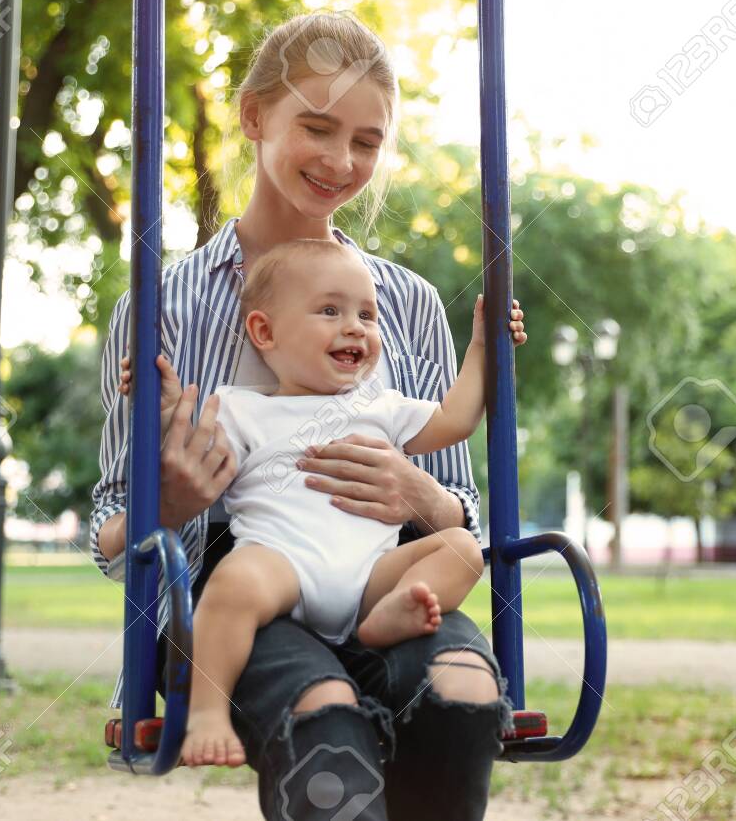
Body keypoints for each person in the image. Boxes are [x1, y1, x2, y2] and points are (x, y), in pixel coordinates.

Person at [90, 11, 515, 820]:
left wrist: (417, 493)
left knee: (462, 694)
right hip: (243, 585)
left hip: (383, 575)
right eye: (317, 128)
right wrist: (170, 502)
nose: (341, 161)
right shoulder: (162, 306)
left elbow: (461, 506)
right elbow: (113, 535)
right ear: (254, 117)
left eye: (366, 141)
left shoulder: (406, 303)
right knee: (326, 723)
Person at [116, 241, 526, 768]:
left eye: (367, 315)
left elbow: (455, 420)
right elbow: (194, 458)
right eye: (330, 311)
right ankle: (207, 712)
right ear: (265, 332)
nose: (354, 327)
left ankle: (391, 614)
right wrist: (164, 409)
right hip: (282, 568)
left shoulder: (382, 405)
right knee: (231, 585)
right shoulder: (241, 409)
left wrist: (483, 349)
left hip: (372, 575)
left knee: (463, 547)